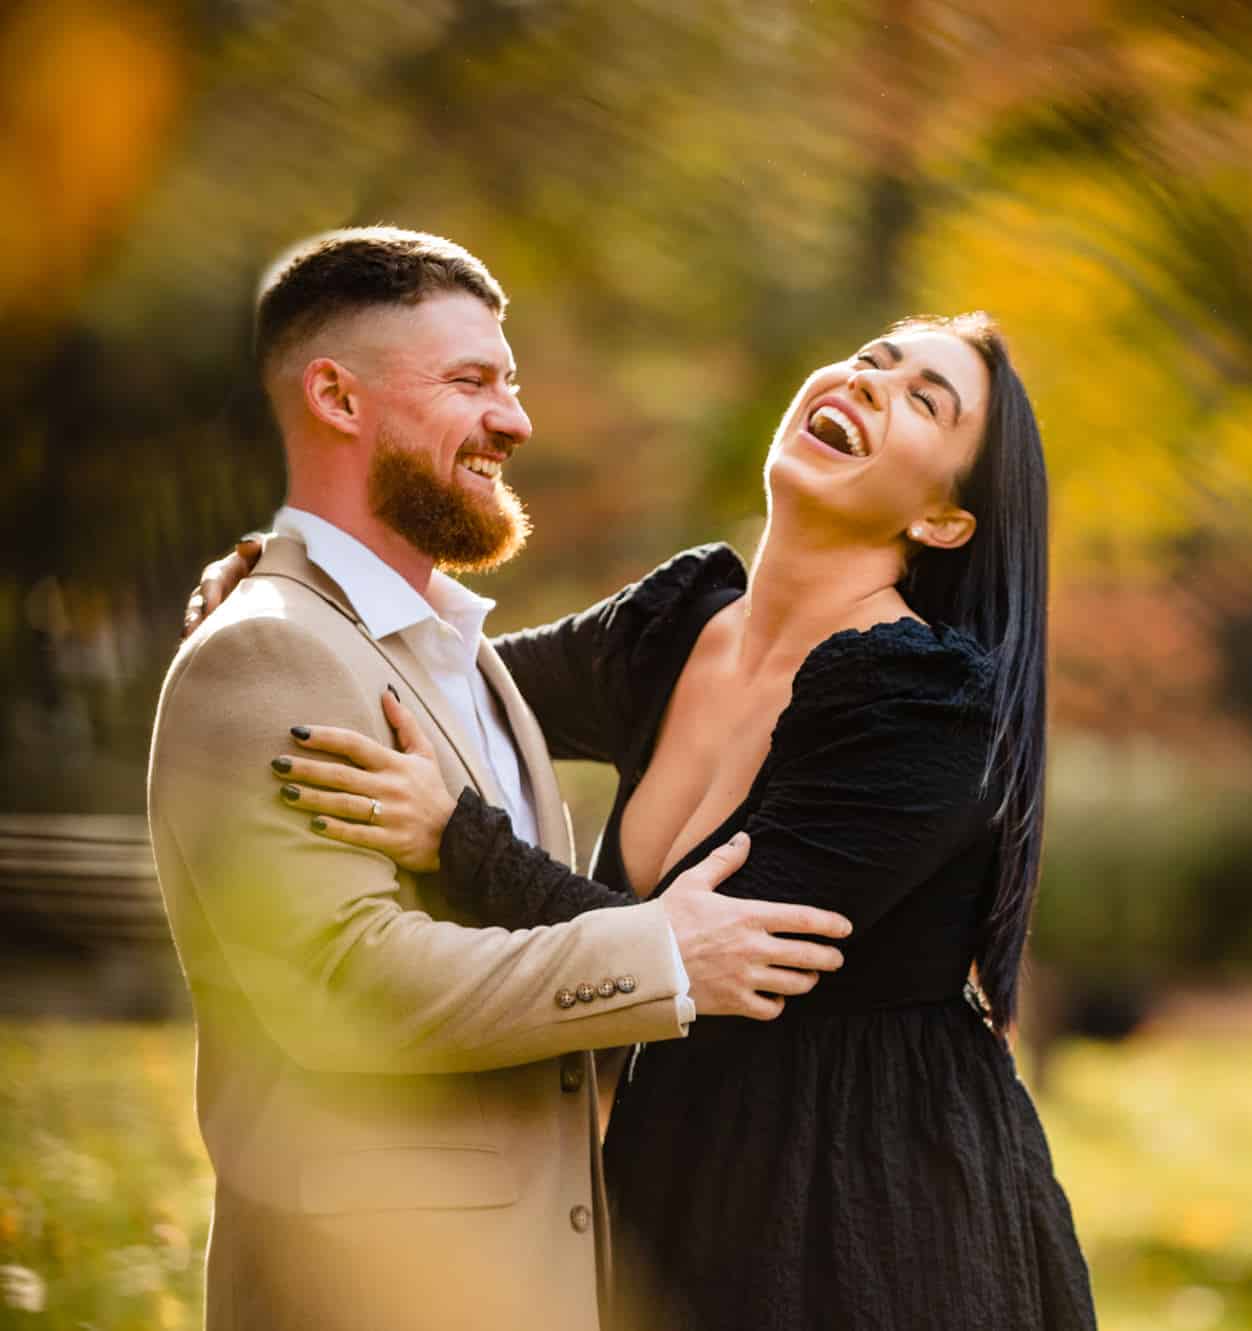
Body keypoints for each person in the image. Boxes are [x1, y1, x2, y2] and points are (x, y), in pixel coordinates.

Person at [197, 309, 1097, 1327]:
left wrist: (461, 840)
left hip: (866, 1204)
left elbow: (706, 968)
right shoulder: (675, 626)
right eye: (868, 358)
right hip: (669, 1172)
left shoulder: (919, 706)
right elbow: (441, 684)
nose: (868, 381)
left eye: (923, 400)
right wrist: (306, 589)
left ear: (941, 520)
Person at [152, 226, 854, 1331]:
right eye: (470, 381)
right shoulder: (265, 650)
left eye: (511, 382)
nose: (515, 421)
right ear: (336, 396)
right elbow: (346, 985)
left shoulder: (460, 655)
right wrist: (662, 950)